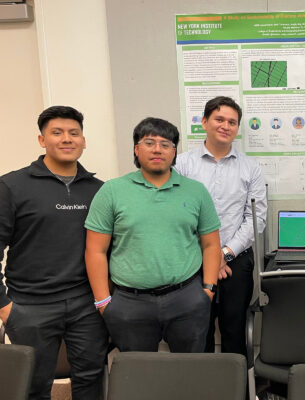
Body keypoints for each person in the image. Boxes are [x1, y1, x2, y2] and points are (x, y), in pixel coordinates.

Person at [85, 117, 221, 353]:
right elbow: (95, 250)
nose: (158, 149)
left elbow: (211, 244)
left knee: (190, 370)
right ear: (136, 149)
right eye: (149, 142)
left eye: (165, 144)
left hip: (187, 298)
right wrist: (103, 302)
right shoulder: (112, 191)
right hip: (130, 302)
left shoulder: (196, 191)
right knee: (139, 373)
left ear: (174, 151)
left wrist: (207, 290)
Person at [0, 106, 108, 400]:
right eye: (56, 133)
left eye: (74, 133)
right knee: (34, 386)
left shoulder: (100, 190)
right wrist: (5, 306)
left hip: (86, 306)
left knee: (91, 379)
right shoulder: (12, 186)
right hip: (29, 306)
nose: (66, 139)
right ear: (41, 140)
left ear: (83, 141)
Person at [175, 96, 267, 356]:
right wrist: (207, 258)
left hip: (235, 260)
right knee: (196, 331)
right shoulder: (182, 165)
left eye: (232, 122)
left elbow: (256, 218)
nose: (226, 126)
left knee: (233, 331)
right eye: (219, 119)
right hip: (191, 260)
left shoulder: (250, 167)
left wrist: (223, 254)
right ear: (204, 122)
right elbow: (173, 214)